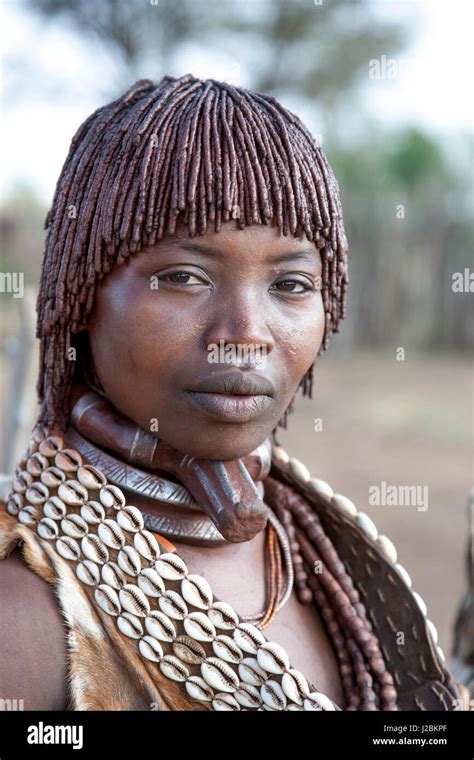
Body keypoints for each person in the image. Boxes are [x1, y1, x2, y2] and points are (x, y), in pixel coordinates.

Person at [0, 74, 467, 712]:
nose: (244, 336)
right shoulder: (22, 621)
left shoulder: (320, 558)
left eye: (292, 285)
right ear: (80, 297)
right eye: (185, 277)